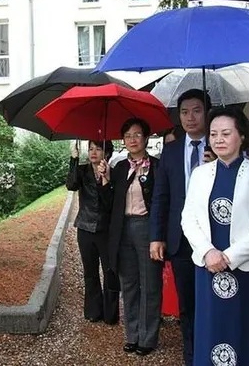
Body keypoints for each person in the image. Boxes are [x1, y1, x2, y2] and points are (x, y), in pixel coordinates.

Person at [181, 106, 249, 366]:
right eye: (214, 134)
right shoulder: (200, 175)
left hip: (247, 270)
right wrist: (208, 252)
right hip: (208, 268)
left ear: (242, 136)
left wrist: (229, 257)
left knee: (248, 331)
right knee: (212, 330)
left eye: (226, 133)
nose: (219, 139)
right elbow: (188, 219)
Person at [150, 88, 211, 366]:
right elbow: (161, 196)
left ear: (207, 113)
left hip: (215, 238)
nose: (190, 117)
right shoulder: (171, 151)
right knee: (187, 304)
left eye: (196, 110)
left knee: (215, 300)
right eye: (184, 112)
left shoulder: (220, 145)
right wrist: (156, 237)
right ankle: (192, 356)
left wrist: (218, 168)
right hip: (180, 240)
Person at [98, 118, 162, 356]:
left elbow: (162, 201)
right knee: (130, 285)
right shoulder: (119, 168)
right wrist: (105, 180)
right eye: (127, 135)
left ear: (146, 138)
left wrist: (159, 235)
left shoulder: (157, 166)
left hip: (147, 228)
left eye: (137, 134)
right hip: (123, 229)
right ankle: (132, 335)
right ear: (122, 140)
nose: (132, 139)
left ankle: (148, 337)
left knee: (150, 284)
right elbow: (108, 205)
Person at [66, 139, 118, 324]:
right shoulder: (82, 171)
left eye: (98, 148)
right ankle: (93, 311)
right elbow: (71, 185)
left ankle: (111, 313)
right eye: (90, 148)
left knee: (110, 271)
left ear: (107, 152)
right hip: (85, 228)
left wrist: (106, 179)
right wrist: (74, 158)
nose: (93, 152)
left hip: (106, 230)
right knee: (90, 272)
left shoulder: (113, 172)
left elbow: (111, 203)